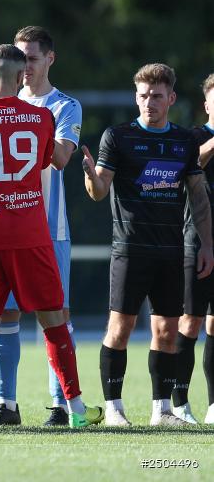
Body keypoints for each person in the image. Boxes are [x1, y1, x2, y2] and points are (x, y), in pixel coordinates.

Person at [0, 44, 103, 429]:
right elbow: (50, 160)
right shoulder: (42, 118)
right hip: (30, 233)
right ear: (20, 77)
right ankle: (76, 410)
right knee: (53, 320)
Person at [82, 63, 214, 426]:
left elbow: (199, 198)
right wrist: (91, 179)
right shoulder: (118, 136)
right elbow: (99, 192)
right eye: (143, 96)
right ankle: (114, 408)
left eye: (157, 96)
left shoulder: (185, 141)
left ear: (170, 98)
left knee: (167, 332)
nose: (149, 103)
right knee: (120, 328)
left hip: (171, 252)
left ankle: (162, 410)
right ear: (135, 97)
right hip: (129, 250)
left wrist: (206, 245)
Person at [0, 26, 83, 426]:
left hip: (49, 230)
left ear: (49, 59)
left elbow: (60, 159)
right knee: (3, 317)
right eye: (18, 58)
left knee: (54, 313)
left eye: (31, 58)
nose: (24, 66)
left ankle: (61, 405)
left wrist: (25, 124)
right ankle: (6, 405)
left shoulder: (64, 107)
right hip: (6, 227)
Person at [176, 72, 214, 424]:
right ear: (207, 105)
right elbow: (192, 168)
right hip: (197, 241)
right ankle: (179, 402)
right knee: (189, 322)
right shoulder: (194, 138)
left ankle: (213, 404)